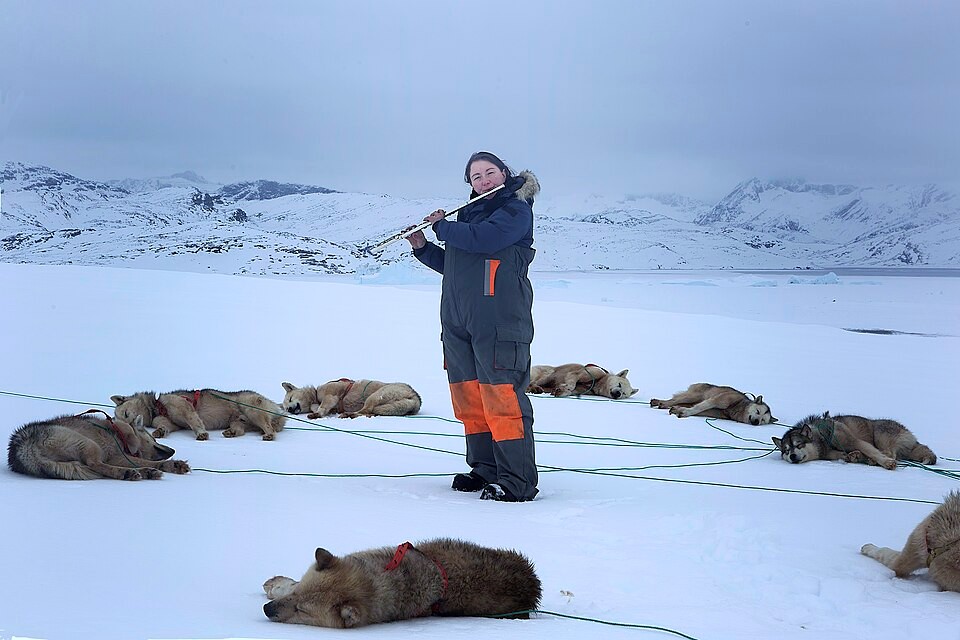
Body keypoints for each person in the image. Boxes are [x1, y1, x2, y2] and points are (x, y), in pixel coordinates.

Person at [407, 151, 539, 502]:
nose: (484, 180)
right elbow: (456, 265)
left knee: (503, 399)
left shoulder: (515, 210)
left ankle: (517, 482)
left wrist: (443, 227)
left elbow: (487, 240)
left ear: (505, 173)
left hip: (499, 323)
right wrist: (424, 248)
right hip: (459, 323)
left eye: (489, 172)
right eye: (476, 176)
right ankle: (485, 469)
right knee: (470, 399)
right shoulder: (466, 218)